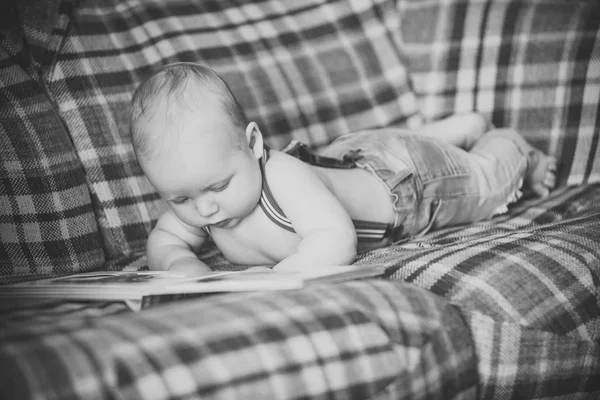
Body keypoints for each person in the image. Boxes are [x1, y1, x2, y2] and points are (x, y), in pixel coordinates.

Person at [129, 62, 556, 275]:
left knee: (485, 181)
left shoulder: (280, 178)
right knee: (404, 142)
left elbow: (336, 239)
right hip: (352, 154)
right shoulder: (204, 194)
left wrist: (282, 279)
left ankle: (511, 147)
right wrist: (180, 267)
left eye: (217, 187)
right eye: (180, 198)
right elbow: (164, 238)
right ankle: (450, 132)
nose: (204, 210)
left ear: (254, 145)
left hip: (408, 186)